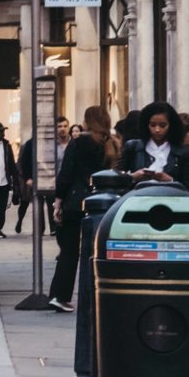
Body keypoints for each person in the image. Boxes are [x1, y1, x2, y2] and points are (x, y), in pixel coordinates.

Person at [49, 105, 118, 312]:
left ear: (87, 121)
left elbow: (66, 174)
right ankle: (99, 294)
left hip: (75, 202)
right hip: (103, 205)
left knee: (69, 251)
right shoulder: (111, 144)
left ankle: (60, 295)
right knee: (99, 251)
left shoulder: (78, 143)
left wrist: (58, 200)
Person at [117, 101, 189, 187]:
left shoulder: (182, 152)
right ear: (146, 125)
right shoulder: (132, 147)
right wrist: (133, 176)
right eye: (153, 125)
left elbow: (188, 188)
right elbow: (116, 179)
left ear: (171, 125)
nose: (157, 130)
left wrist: (170, 180)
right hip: (139, 197)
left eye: (162, 125)